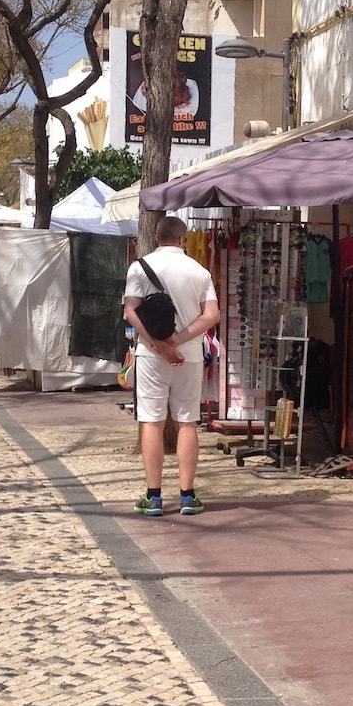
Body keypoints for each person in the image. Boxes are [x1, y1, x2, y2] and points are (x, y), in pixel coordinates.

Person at [122, 216, 219, 516]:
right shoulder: (199, 271)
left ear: (155, 236)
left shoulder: (139, 267)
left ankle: (153, 496)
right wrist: (179, 340)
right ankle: (187, 496)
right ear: (183, 239)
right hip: (188, 354)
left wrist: (158, 344)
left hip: (151, 357)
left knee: (152, 421)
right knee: (187, 421)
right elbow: (211, 315)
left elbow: (130, 312)